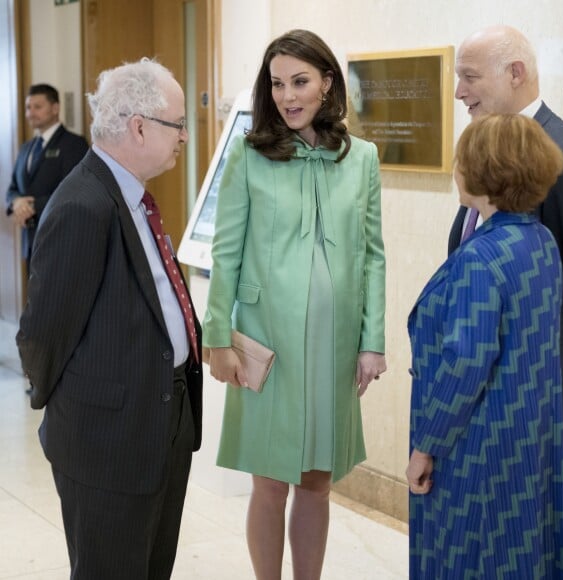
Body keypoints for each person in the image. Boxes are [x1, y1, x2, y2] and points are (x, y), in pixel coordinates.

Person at [203, 29, 386, 580]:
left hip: (333, 347)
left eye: (300, 82)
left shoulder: (363, 159)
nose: (288, 95)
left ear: (327, 84)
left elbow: (374, 255)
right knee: (268, 480)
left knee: (317, 481)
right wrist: (217, 339)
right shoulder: (248, 154)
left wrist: (371, 340)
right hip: (267, 341)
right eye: (278, 83)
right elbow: (226, 250)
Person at [16, 58, 203, 580]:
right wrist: (78, 409)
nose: (185, 136)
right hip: (108, 445)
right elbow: (41, 335)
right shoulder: (84, 204)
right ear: (140, 127)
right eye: (178, 124)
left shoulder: (132, 194)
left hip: (161, 424)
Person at [407, 113, 563, 578]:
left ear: (484, 171)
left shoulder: (480, 258)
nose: (455, 169)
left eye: (462, 159)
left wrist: (425, 447)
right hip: (527, 442)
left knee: (466, 559)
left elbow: (466, 365)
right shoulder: (541, 242)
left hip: (475, 447)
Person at [450, 25, 563, 578]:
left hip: (542, 379)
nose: (458, 92)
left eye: (469, 77)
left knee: (545, 514)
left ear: (516, 74)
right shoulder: (490, 150)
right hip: (489, 381)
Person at [5, 83, 88, 271]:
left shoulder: (74, 144)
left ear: (55, 108)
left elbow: (75, 192)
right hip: (30, 243)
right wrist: (17, 202)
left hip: (61, 241)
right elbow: (11, 189)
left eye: (37, 107)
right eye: (28, 107)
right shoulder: (26, 148)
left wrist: (32, 206)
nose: (30, 113)